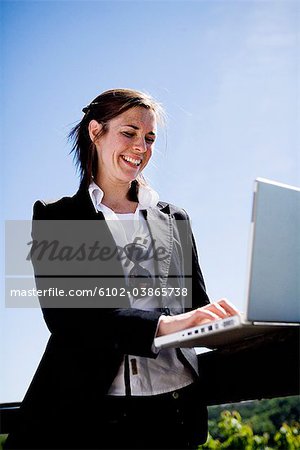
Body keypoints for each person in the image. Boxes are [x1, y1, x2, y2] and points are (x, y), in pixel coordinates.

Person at [4, 88, 238, 450]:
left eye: (149, 138)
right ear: (96, 132)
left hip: (176, 410)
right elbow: (70, 318)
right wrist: (165, 325)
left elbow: (193, 306)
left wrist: (231, 325)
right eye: (128, 133)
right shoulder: (60, 215)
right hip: (95, 416)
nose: (141, 147)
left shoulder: (175, 218)